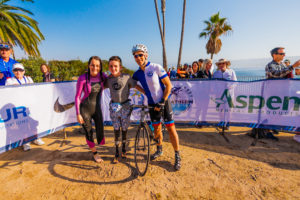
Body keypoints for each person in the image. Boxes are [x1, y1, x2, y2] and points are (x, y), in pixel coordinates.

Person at [131, 44, 181, 171]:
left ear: (146, 55)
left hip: (163, 102)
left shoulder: (155, 67)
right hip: (152, 104)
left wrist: (163, 101)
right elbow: (132, 84)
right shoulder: (136, 74)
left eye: (140, 55)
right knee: (157, 130)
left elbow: (168, 85)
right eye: (135, 56)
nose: (138, 57)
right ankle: (159, 149)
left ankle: (177, 155)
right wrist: (145, 92)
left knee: (171, 129)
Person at [104, 56, 143, 163]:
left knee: (124, 129)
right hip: (114, 108)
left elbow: (136, 86)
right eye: (111, 66)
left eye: (115, 66)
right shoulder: (108, 79)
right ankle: (116, 151)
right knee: (116, 130)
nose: (113, 68)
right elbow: (99, 87)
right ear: (109, 67)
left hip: (125, 107)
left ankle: (124, 149)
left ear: (120, 67)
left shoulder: (126, 77)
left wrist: (147, 94)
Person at [5, 63, 45, 151]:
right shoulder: (9, 81)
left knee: (33, 123)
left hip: (30, 104)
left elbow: (33, 89)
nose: (18, 72)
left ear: (24, 71)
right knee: (23, 125)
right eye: (16, 70)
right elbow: (8, 94)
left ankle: (36, 138)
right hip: (18, 106)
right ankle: (25, 142)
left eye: (20, 70)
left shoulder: (28, 78)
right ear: (13, 72)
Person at [75, 56, 107, 163]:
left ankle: (97, 146)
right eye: (93, 65)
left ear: (100, 66)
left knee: (100, 131)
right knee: (89, 132)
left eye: (97, 65)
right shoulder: (83, 78)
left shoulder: (103, 76)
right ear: (89, 65)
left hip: (97, 108)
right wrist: (78, 114)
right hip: (85, 109)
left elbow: (112, 81)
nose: (95, 67)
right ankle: (95, 153)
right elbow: (78, 97)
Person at [266, 47, 300, 143]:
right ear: (274, 55)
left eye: (284, 53)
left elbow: (287, 74)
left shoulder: (282, 65)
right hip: (272, 93)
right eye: (281, 54)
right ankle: (267, 131)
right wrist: (292, 66)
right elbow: (276, 74)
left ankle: (273, 127)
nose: (284, 55)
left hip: (282, 93)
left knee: (279, 111)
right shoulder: (270, 65)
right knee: (271, 111)